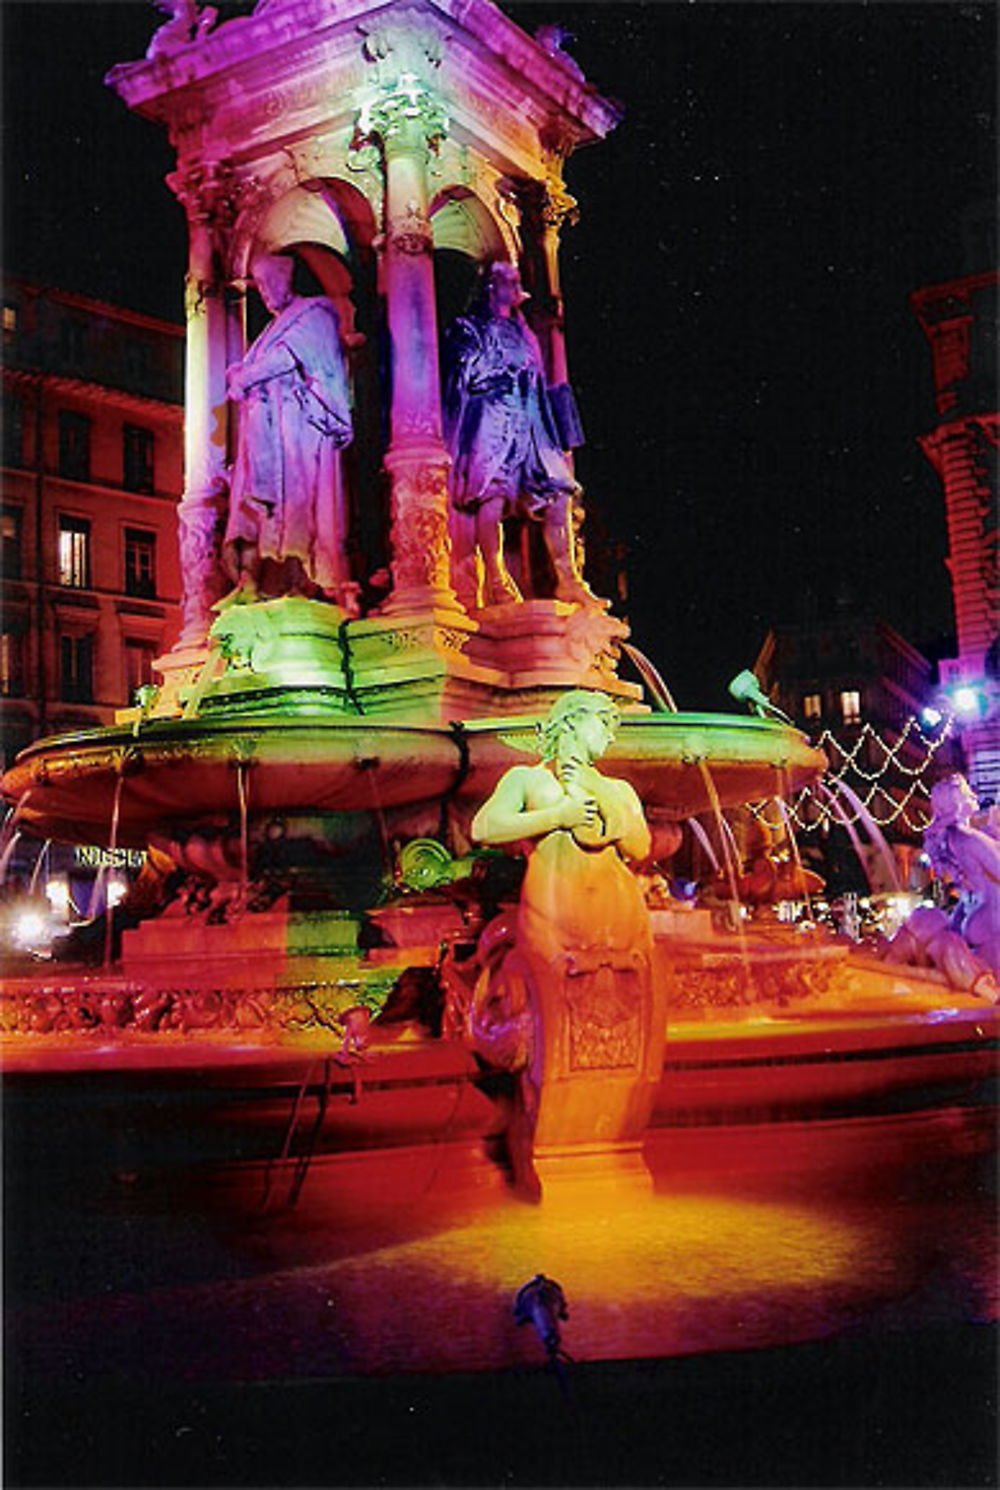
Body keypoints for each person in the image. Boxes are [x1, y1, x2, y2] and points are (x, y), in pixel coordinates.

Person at [469, 691, 656, 1190]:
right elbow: (484, 826)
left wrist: (604, 818)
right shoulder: (527, 779)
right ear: (573, 722)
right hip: (555, 921)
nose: (610, 735)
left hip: (618, 924)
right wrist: (556, 817)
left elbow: (641, 845)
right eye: (603, 724)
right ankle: (543, 1147)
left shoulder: (618, 788)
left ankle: (606, 1141)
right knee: (551, 1036)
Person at [442, 261, 599, 610]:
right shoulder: (470, 327)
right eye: (509, 282)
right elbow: (463, 372)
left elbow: (542, 376)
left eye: (517, 283)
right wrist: (497, 368)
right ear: (491, 288)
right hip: (491, 414)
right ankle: (495, 576)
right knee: (492, 494)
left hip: (530, 417)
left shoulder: (524, 331)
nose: (515, 289)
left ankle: (568, 578)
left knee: (560, 491)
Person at [222, 251, 353, 603]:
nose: (263, 294)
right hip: (267, 432)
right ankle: (265, 576)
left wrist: (246, 376)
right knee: (265, 507)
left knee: (297, 502)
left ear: (285, 279)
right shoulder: (270, 328)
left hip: (298, 426)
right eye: (259, 287)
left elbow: (291, 355)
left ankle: (299, 575)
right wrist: (240, 374)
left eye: (267, 285)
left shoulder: (315, 314)